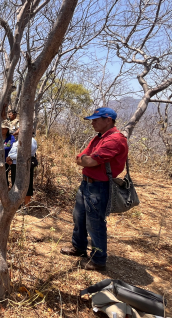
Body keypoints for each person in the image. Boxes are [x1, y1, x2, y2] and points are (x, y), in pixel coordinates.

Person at [60, 107, 128, 271]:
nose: (93, 123)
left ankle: (98, 260)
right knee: (79, 217)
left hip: (99, 186)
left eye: (96, 120)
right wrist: (85, 159)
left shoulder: (115, 139)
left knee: (95, 223)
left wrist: (85, 159)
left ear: (108, 120)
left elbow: (90, 161)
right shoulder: (99, 138)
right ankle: (79, 247)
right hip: (86, 183)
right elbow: (81, 157)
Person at [6, 133, 38, 206]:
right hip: (15, 165)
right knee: (15, 184)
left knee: (27, 185)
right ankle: (17, 205)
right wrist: (9, 157)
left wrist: (11, 157)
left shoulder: (31, 140)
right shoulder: (18, 140)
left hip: (25, 166)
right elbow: (12, 152)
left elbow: (26, 154)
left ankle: (27, 207)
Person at [0, 121, 16, 187]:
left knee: (5, 175)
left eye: (4, 129)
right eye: (1, 128)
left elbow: (11, 146)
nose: (2, 130)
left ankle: (6, 190)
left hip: (7, 160)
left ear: (7, 129)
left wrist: (4, 148)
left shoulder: (11, 137)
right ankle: (0, 190)